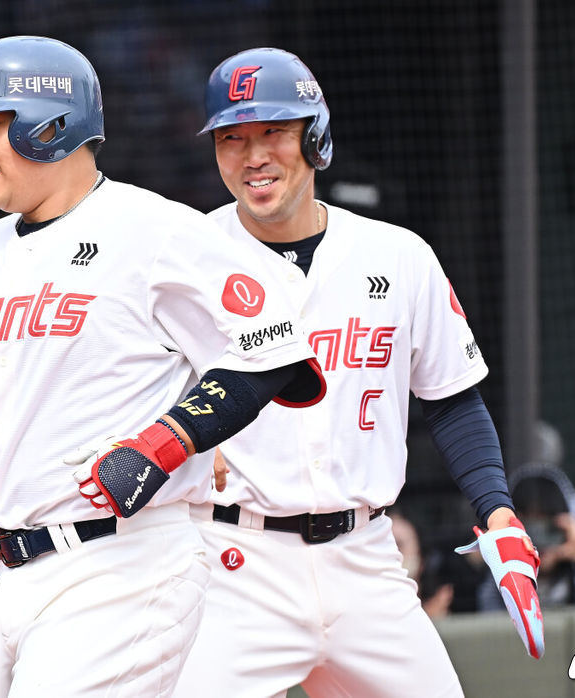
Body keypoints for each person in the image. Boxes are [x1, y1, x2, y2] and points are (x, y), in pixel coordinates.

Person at [0, 36, 324, 698]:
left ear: (53, 125)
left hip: (126, 562)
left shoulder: (154, 230)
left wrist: (160, 445)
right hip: (13, 575)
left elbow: (270, 353)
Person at [172, 48, 543, 698]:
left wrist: (499, 512)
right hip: (233, 568)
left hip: (365, 560)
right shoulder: (182, 263)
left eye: (273, 133)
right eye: (232, 138)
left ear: (315, 138)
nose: (253, 155)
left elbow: (452, 399)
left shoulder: (397, 256)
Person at [477, 463, 575, 611]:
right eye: (529, 529)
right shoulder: (487, 583)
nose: (536, 545)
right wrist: (480, 562)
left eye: (549, 529)